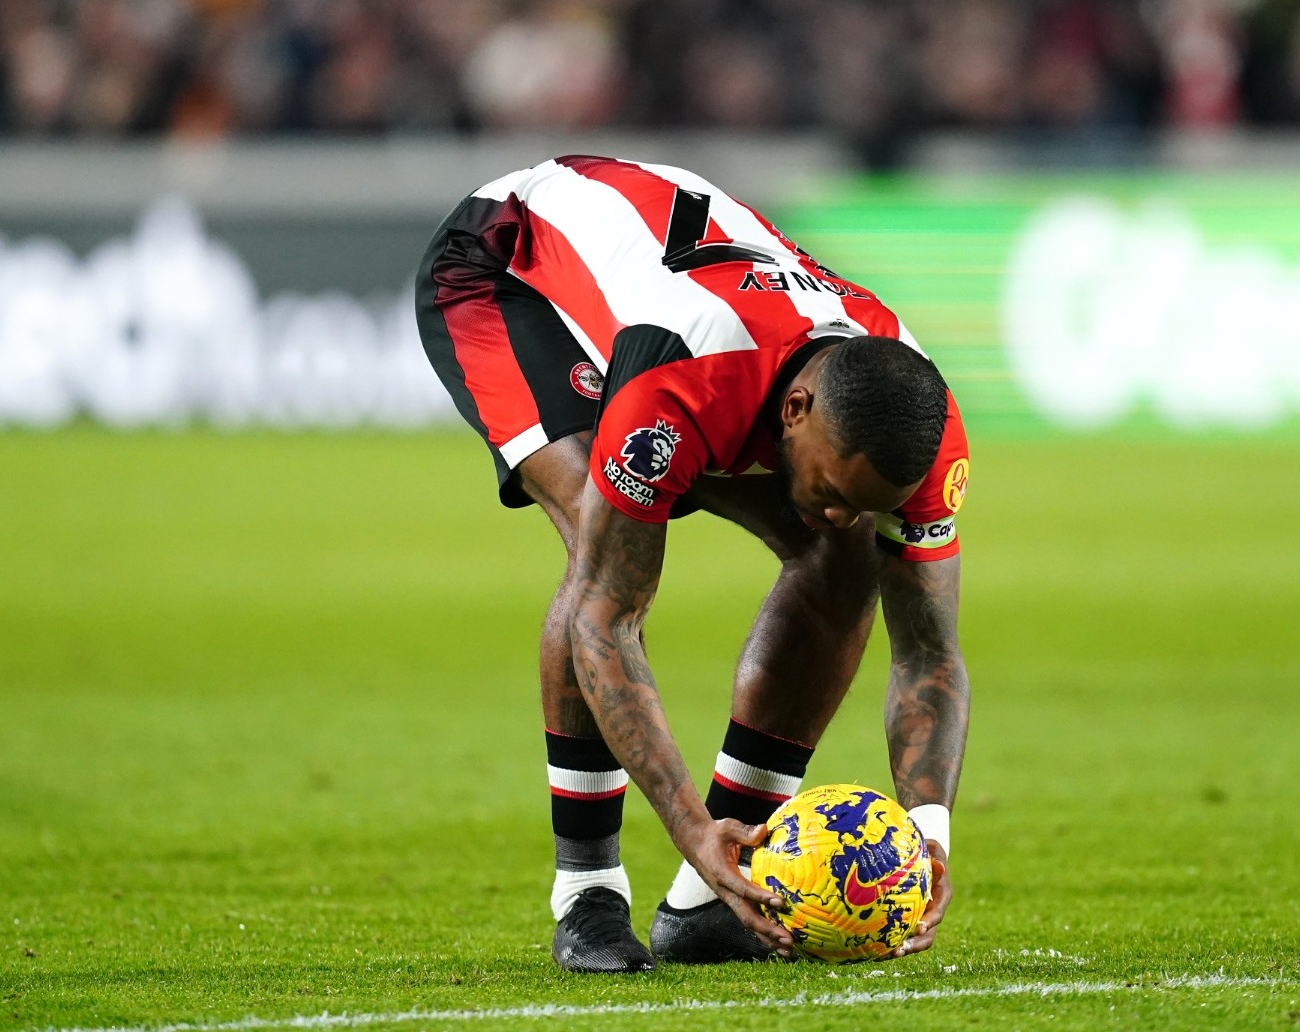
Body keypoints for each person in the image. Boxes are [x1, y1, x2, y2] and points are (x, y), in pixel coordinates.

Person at [416, 155, 970, 972]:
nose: (845, 510)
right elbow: (609, 619)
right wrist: (686, 821)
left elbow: (928, 652)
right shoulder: (678, 384)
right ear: (797, 411)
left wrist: (928, 834)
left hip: (698, 320)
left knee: (838, 559)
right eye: (832, 486)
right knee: (597, 546)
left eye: (869, 500)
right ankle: (589, 893)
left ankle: (712, 900)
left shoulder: (920, 417)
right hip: (506, 271)